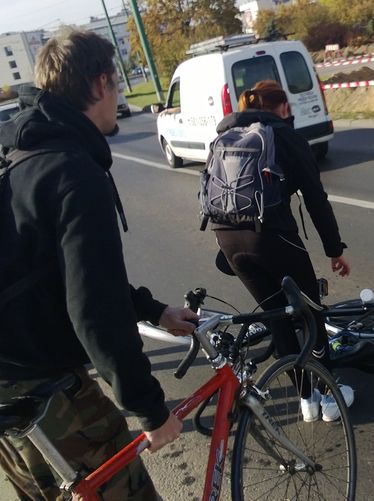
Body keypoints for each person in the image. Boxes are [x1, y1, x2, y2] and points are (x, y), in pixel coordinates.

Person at [0, 29, 197, 499]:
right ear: (99, 84)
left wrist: (154, 311)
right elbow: (94, 307)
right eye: (118, 85)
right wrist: (149, 408)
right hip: (43, 387)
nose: (121, 96)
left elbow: (61, 274)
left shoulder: (23, 154)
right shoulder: (73, 172)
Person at [211, 80, 353, 422]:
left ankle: (306, 401)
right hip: (272, 237)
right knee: (310, 313)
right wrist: (335, 250)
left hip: (228, 241)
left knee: (278, 320)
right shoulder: (285, 137)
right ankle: (330, 398)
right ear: (284, 107)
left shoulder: (223, 138)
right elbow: (316, 200)